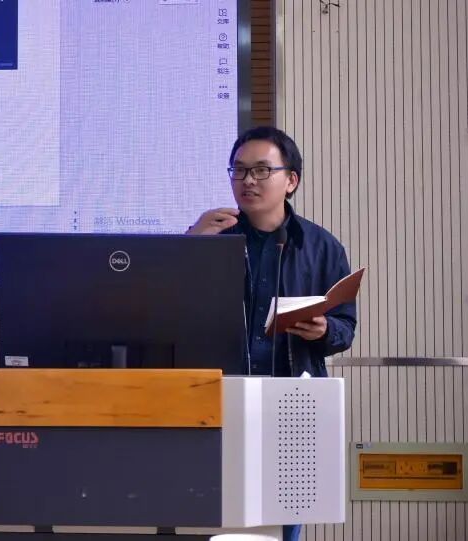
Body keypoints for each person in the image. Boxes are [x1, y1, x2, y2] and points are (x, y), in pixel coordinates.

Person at [188, 125, 357, 541]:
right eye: (239, 170)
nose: (248, 180)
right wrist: (189, 246)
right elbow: (169, 311)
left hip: (290, 400)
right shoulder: (212, 236)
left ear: (291, 180)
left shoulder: (322, 247)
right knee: (209, 514)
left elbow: (345, 328)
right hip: (216, 398)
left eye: (262, 170)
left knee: (283, 518)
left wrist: (324, 330)